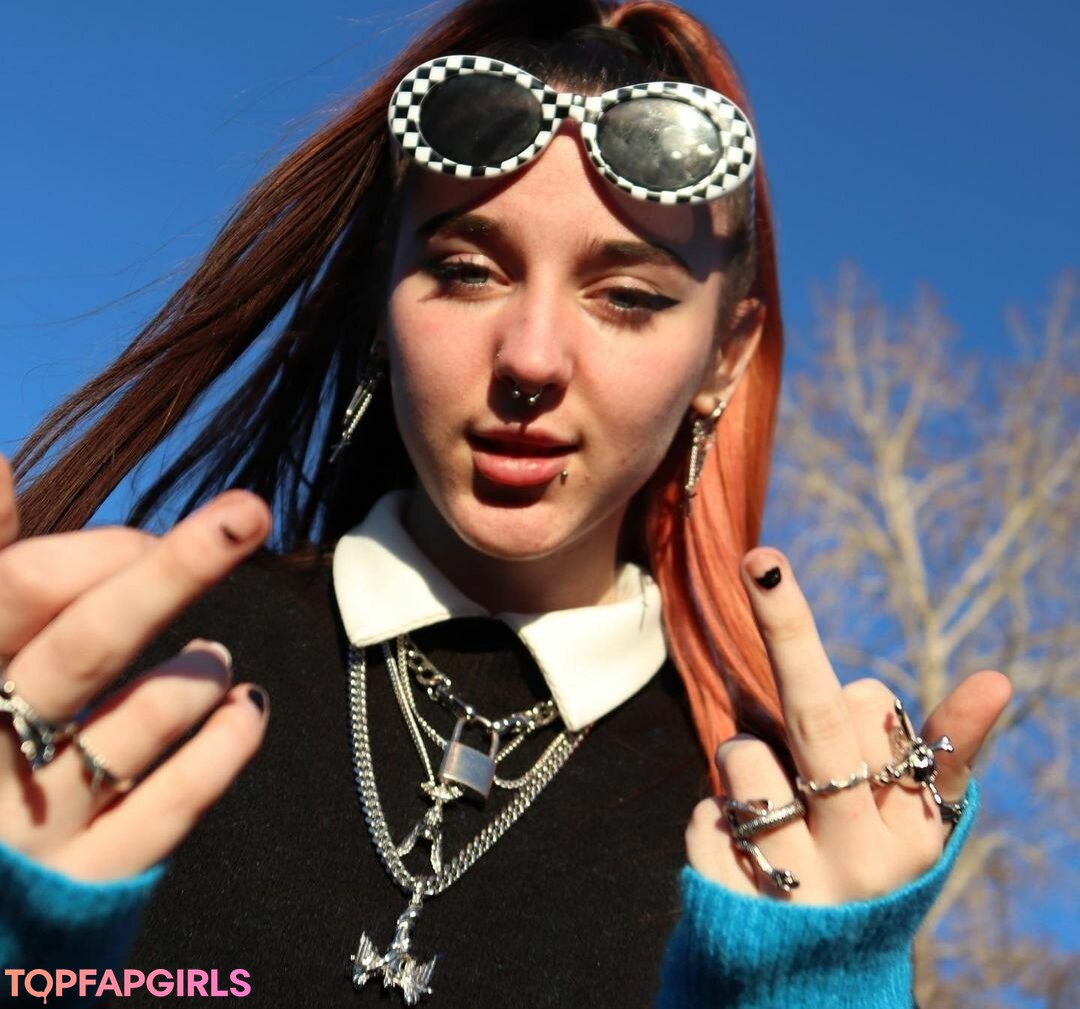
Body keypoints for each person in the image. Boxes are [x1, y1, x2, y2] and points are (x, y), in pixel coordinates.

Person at [0, 1, 1011, 1006]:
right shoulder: (92, 684)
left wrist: (820, 987)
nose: (530, 358)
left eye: (628, 297)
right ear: (382, 306)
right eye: (466, 271)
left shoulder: (775, 835)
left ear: (724, 357)